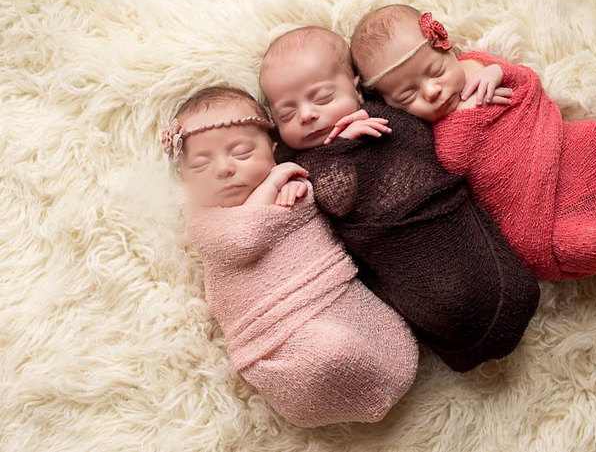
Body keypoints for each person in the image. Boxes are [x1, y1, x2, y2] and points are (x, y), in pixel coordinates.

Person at [259, 27, 540, 373]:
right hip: (398, 260)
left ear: (357, 89)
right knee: (441, 304)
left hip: (449, 225)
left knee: (482, 281)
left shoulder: (390, 108)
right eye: (287, 114)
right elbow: (334, 203)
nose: (306, 115)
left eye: (322, 97)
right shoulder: (304, 166)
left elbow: (435, 113)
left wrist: (485, 72)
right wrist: (332, 154)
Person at [161, 86, 417, 427]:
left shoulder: (293, 175)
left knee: (346, 341)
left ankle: (375, 363)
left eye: (241, 152)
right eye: (201, 164)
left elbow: (326, 206)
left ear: (273, 151)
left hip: (330, 296)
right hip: (271, 334)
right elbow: (241, 240)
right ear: (184, 177)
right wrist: (271, 187)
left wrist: (301, 190)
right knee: (329, 351)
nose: (223, 169)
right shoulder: (203, 218)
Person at [350, 5, 596, 280]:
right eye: (408, 95)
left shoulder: (475, 65)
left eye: (436, 72)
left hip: (557, 147)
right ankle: (581, 235)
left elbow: (527, 82)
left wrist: (497, 73)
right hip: (523, 205)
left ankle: (594, 215)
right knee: (580, 243)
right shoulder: (419, 132)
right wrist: (463, 125)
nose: (432, 90)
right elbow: (444, 169)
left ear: (448, 48)